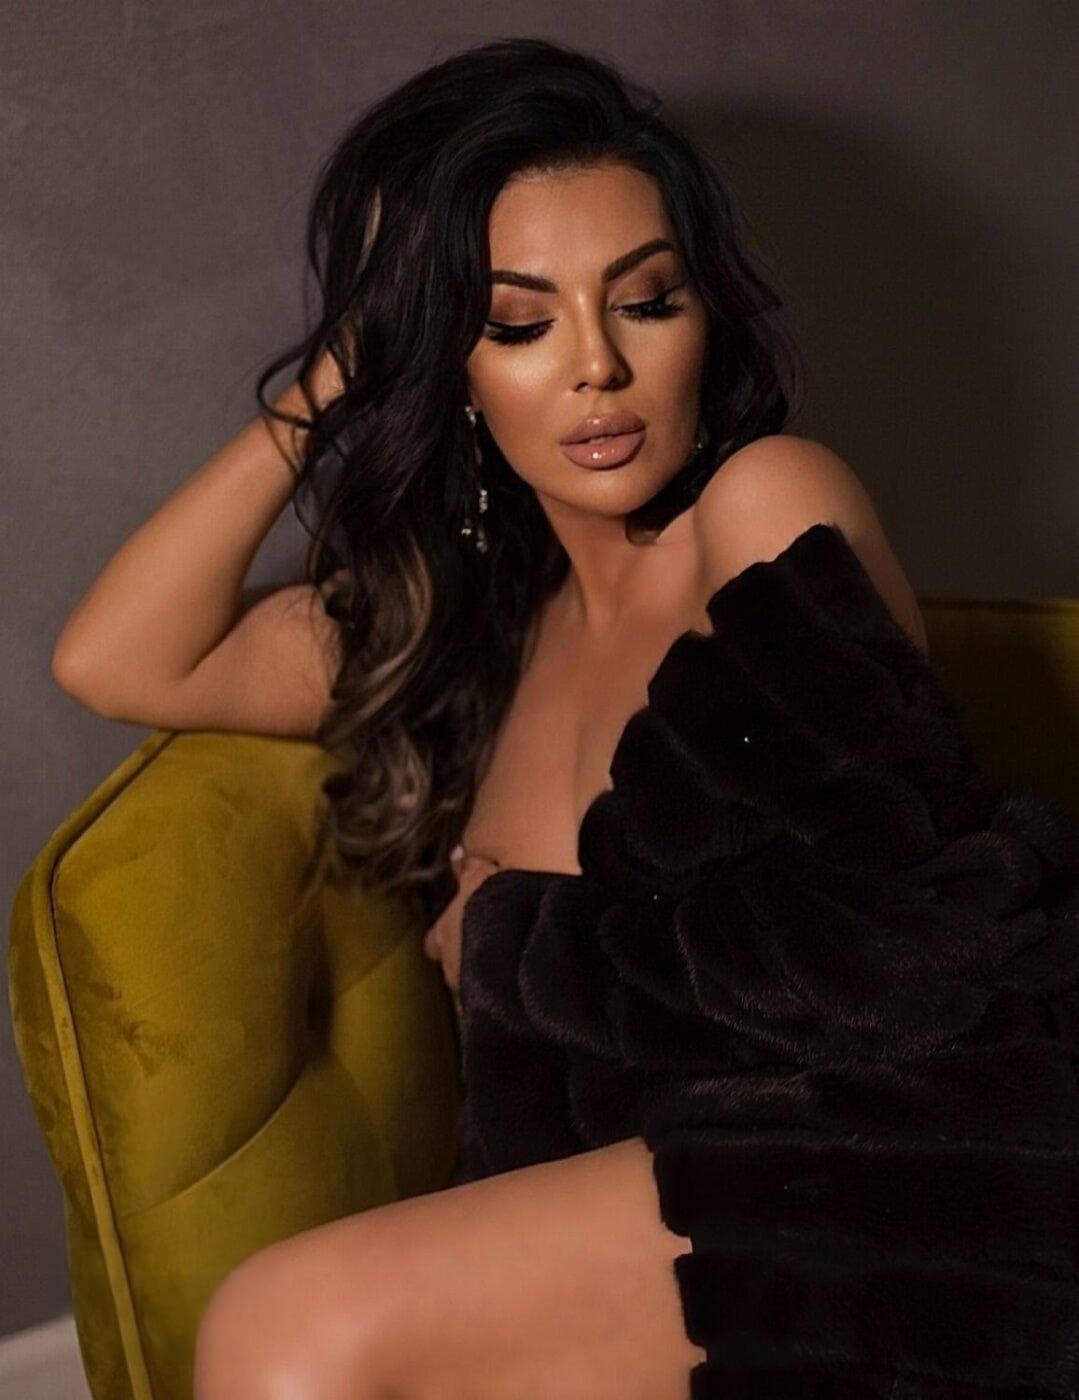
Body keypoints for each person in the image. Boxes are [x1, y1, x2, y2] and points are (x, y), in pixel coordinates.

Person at [51, 36, 1078, 1400]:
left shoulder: (765, 506)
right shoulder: (467, 628)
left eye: (645, 302)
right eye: (518, 324)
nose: (597, 365)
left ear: (704, 320)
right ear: (453, 366)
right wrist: (347, 372)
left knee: (285, 1327)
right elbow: (120, 659)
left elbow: (908, 955)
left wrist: (513, 939)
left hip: (900, 1172)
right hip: (642, 1235)